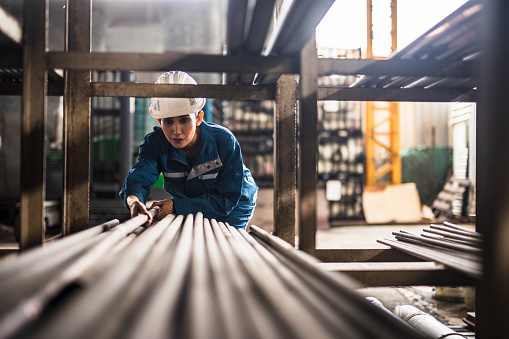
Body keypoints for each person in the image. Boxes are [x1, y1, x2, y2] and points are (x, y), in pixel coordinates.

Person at [119, 71, 258, 229]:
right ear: (159, 121)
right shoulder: (155, 144)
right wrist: (134, 201)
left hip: (235, 204)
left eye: (184, 120)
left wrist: (177, 206)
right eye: (168, 121)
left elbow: (226, 200)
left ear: (198, 118)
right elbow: (140, 176)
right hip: (191, 200)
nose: (176, 131)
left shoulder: (224, 141)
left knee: (222, 243)